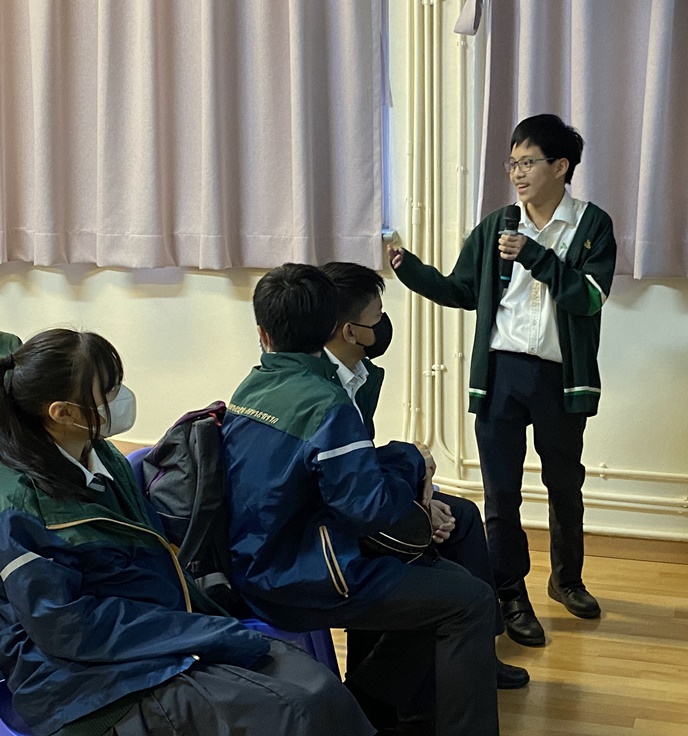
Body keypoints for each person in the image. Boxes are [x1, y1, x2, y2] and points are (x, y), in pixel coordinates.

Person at [0, 329, 371, 736]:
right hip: (82, 684)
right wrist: (203, 634)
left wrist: (206, 626)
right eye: (108, 391)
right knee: (296, 709)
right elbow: (69, 629)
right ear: (62, 413)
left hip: (148, 636)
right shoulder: (21, 506)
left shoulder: (99, 453)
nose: (120, 398)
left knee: (312, 684)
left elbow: (152, 561)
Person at [221, 263, 499, 736]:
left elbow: (343, 484)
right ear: (336, 328)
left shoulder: (254, 385)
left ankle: (372, 707)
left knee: (445, 578)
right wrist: (412, 462)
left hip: (261, 559)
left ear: (263, 333)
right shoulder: (325, 403)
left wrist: (409, 478)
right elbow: (369, 509)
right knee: (468, 599)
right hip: (300, 576)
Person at [388, 114, 617, 648]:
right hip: (501, 373)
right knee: (501, 492)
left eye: (527, 162)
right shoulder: (496, 225)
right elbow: (462, 290)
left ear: (560, 167)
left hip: (562, 377)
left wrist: (534, 256)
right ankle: (510, 593)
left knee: (565, 483)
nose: (516, 173)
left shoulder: (591, 225)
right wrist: (409, 269)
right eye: (511, 163)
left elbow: (588, 298)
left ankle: (567, 580)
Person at [320, 261, 530, 696]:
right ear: (351, 331)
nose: (384, 324)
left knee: (463, 515)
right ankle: (392, 689)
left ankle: (479, 654)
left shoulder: (357, 374)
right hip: (340, 528)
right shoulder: (320, 387)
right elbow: (345, 485)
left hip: (364, 499)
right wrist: (417, 500)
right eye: (378, 316)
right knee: (443, 530)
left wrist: (421, 492)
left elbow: (360, 462)